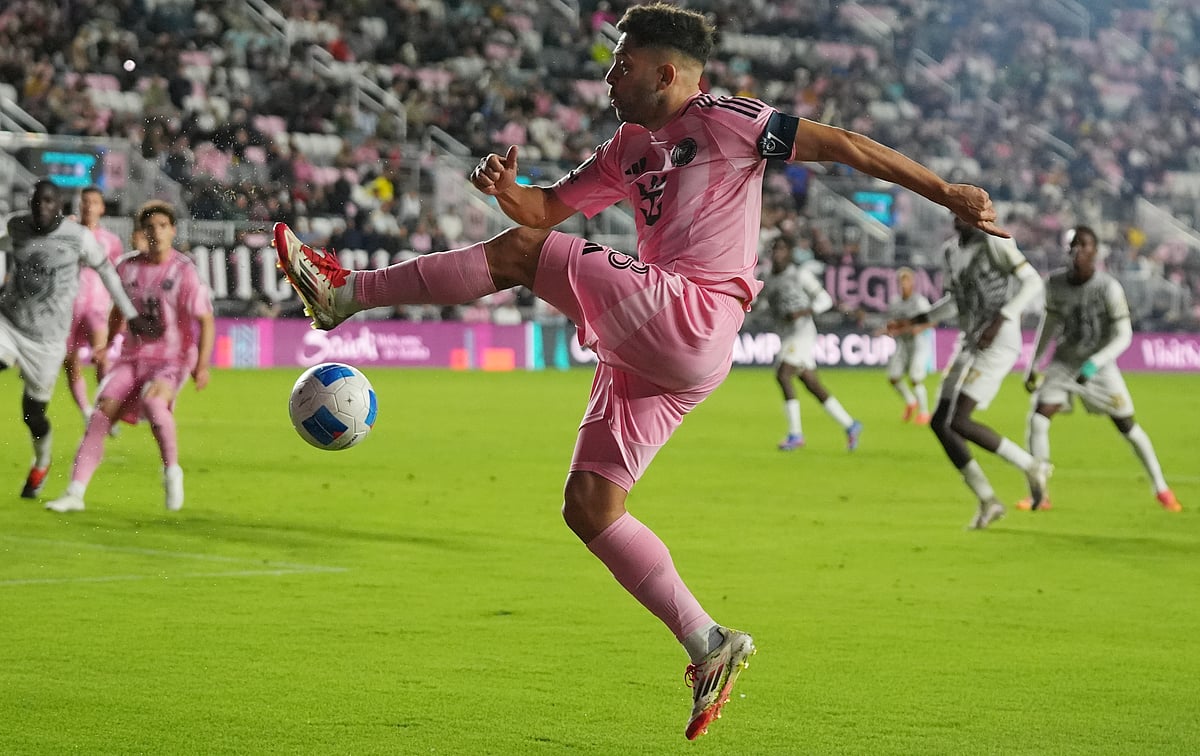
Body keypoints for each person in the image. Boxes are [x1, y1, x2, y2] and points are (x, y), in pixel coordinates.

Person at [272, 3, 1007, 739]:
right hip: (659, 344)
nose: (608, 77)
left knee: (521, 257)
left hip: (692, 311)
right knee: (590, 506)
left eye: (621, 65)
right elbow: (543, 210)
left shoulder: (731, 120)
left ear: (665, 73)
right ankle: (709, 643)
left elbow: (843, 145)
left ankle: (347, 292)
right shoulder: (627, 146)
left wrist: (947, 192)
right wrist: (505, 191)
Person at [46, 200, 214, 513]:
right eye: (150, 227)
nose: (156, 233)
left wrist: (201, 365)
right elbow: (118, 311)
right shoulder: (126, 267)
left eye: (162, 226)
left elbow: (205, 320)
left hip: (172, 360)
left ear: (173, 231)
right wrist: (107, 344)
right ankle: (74, 493)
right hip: (132, 358)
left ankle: (171, 471)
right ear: (142, 232)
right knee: (100, 416)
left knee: (154, 404)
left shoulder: (184, 271)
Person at [889, 216, 1051, 530]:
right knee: (940, 422)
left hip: (999, 340)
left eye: (967, 209)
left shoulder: (995, 242)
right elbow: (955, 302)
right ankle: (988, 499)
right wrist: (916, 321)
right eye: (956, 208)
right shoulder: (950, 251)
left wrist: (1002, 318)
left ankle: (1032, 466)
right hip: (970, 340)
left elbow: (1032, 282)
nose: (960, 214)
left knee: (959, 420)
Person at [1020, 225, 1181, 512]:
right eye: (1073, 245)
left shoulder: (1108, 288)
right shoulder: (1054, 284)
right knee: (1038, 420)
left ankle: (1162, 489)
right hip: (1065, 361)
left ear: (1095, 252)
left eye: (1084, 245)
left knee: (1127, 427)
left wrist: (1094, 364)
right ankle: (1040, 494)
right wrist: (1034, 363)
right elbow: (1049, 323)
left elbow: (1124, 335)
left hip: (1100, 365)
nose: (1077, 250)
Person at [0, 180, 141, 498]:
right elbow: (6, 241)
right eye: (36, 202)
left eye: (49, 202)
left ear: (60, 207)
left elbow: (107, 272)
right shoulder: (17, 226)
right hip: (8, 323)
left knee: (33, 414)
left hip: (48, 341)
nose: (41, 208)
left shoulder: (78, 238)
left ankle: (41, 462)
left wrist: (131, 315)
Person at [762, 235, 863, 451]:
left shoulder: (800, 275)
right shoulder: (768, 278)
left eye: (782, 249)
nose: (778, 254)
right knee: (812, 384)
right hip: (786, 334)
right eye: (775, 249)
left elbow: (825, 300)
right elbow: (763, 303)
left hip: (803, 332)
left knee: (783, 374)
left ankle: (795, 434)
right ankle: (850, 425)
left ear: (790, 252)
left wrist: (803, 312)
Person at [64, 185, 125, 422]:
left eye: (94, 202)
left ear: (102, 208)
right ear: (79, 205)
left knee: (102, 359)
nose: (89, 206)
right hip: (68, 309)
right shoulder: (67, 233)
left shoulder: (111, 241)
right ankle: (86, 411)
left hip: (98, 309)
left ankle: (105, 411)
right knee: (71, 363)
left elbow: (118, 277)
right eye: (85, 201)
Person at [879, 267, 932, 424]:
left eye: (907, 281)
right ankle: (911, 401)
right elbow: (894, 323)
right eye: (901, 282)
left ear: (912, 283)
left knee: (915, 378)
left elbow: (931, 320)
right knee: (893, 378)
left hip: (919, 343)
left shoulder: (919, 302)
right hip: (903, 343)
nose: (904, 285)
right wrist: (888, 329)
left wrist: (919, 329)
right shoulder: (895, 302)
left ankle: (924, 413)